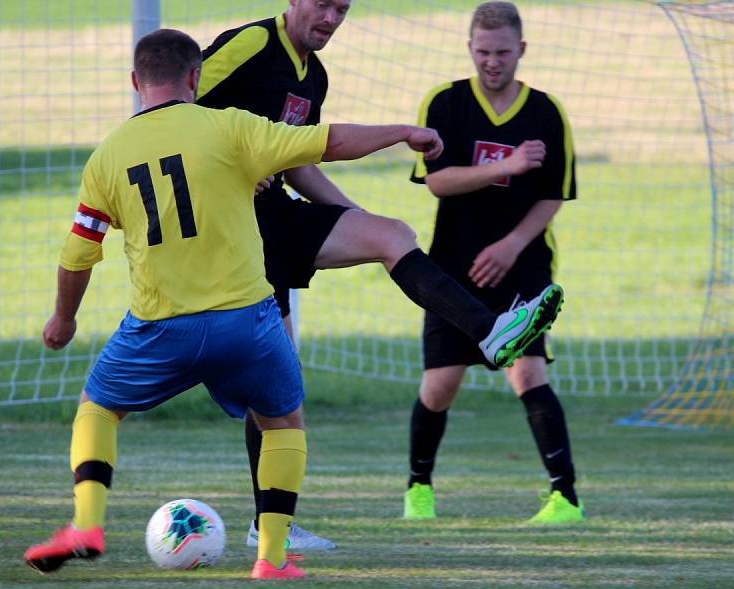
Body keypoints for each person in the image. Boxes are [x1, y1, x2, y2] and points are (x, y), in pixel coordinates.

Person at [22, 28, 455, 581]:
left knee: (98, 408)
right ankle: (270, 558)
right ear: (196, 77)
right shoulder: (229, 127)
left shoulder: (107, 158)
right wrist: (403, 132)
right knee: (282, 425)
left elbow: (79, 254)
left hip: (159, 327)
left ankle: (86, 522)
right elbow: (331, 141)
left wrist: (63, 319)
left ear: (136, 83)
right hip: (246, 323)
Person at [196, 0, 566, 551]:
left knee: (390, 234)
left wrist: (350, 215)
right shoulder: (251, 44)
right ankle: (268, 525)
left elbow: (297, 160)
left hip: (273, 222)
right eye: (322, 5)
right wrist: (223, 167)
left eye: (341, 10)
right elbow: (171, 107)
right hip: (225, 229)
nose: (330, 19)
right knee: (278, 394)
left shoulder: (313, 75)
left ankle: (490, 332)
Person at [402, 1, 584, 525]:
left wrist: (511, 245)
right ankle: (418, 490)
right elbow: (436, 180)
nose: (493, 62)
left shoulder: (547, 112)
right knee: (440, 386)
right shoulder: (445, 103)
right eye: (483, 52)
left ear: (521, 49)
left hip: (522, 267)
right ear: (469, 49)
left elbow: (555, 194)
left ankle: (565, 499)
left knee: (528, 372)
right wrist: (505, 164)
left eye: (503, 52)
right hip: (452, 269)